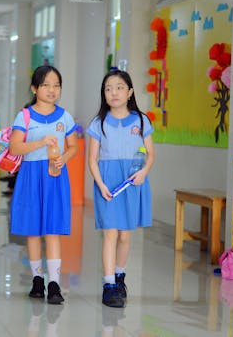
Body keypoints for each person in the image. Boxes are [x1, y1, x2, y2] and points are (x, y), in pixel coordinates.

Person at [8, 65, 78, 305]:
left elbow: (73, 147)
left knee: (53, 229)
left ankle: (54, 283)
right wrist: (39, 142)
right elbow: (15, 147)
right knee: (33, 230)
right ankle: (37, 279)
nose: (52, 90)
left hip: (55, 175)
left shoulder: (65, 116)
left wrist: (63, 158)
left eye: (56, 85)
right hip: (30, 175)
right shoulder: (24, 116)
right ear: (34, 88)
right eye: (46, 85)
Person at [86, 69, 155, 308]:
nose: (113, 92)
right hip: (107, 182)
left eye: (119, 87)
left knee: (125, 234)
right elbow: (92, 160)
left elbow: (150, 155)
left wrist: (143, 173)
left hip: (132, 181)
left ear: (130, 92)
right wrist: (101, 183)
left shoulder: (142, 120)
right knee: (110, 233)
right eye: (108, 88)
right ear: (103, 94)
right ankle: (108, 285)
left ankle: (120, 276)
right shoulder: (98, 123)